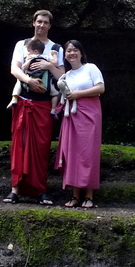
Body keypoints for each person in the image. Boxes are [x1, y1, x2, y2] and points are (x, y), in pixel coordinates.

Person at [4, 10, 63, 206]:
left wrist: (48, 67)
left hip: (44, 103)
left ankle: (40, 190)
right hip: (24, 99)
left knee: (41, 147)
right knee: (19, 144)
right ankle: (15, 190)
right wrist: (29, 79)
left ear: (50, 26)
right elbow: (14, 69)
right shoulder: (22, 45)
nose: (41, 25)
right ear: (33, 23)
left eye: (45, 22)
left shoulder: (56, 48)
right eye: (39, 21)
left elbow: (61, 76)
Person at [46, 40, 104, 209]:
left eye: (75, 50)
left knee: (89, 154)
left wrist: (78, 94)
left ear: (81, 52)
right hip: (71, 116)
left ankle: (89, 196)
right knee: (72, 155)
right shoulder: (67, 76)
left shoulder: (91, 68)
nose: (72, 53)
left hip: (90, 114)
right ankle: (75, 196)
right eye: (68, 51)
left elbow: (100, 88)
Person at [5, 38, 59, 114]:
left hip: (31, 79)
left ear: (35, 51)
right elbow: (55, 63)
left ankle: (14, 98)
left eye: (28, 51)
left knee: (19, 82)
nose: (27, 53)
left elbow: (24, 67)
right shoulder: (46, 57)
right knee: (55, 94)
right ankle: (53, 109)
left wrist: (27, 61)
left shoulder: (30, 57)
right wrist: (54, 54)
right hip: (44, 83)